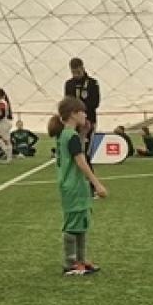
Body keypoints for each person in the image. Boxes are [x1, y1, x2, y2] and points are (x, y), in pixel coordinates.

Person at [51, 96, 108, 276]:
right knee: (73, 223)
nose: (85, 114)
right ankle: (70, 262)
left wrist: (83, 134)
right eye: (82, 111)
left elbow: (75, 149)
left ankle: (81, 260)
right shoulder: (70, 136)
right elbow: (80, 161)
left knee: (81, 222)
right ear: (74, 114)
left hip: (73, 185)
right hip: (73, 185)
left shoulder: (66, 134)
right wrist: (97, 183)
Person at [65, 58, 101, 142]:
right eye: (73, 72)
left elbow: (95, 103)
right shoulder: (69, 84)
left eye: (78, 72)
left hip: (89, 119)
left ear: (82, 68)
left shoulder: (92, 83)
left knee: (88, 146)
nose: (76, 75)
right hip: (73, 122)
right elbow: (67, 103)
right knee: (74, 145)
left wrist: (82, 111)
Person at [0, 88, 13, 161]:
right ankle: (9, 158)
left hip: (5, 123)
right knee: (7, 140)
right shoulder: (3, 102)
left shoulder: (1, 102)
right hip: (6, 122)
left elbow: (3, 114)